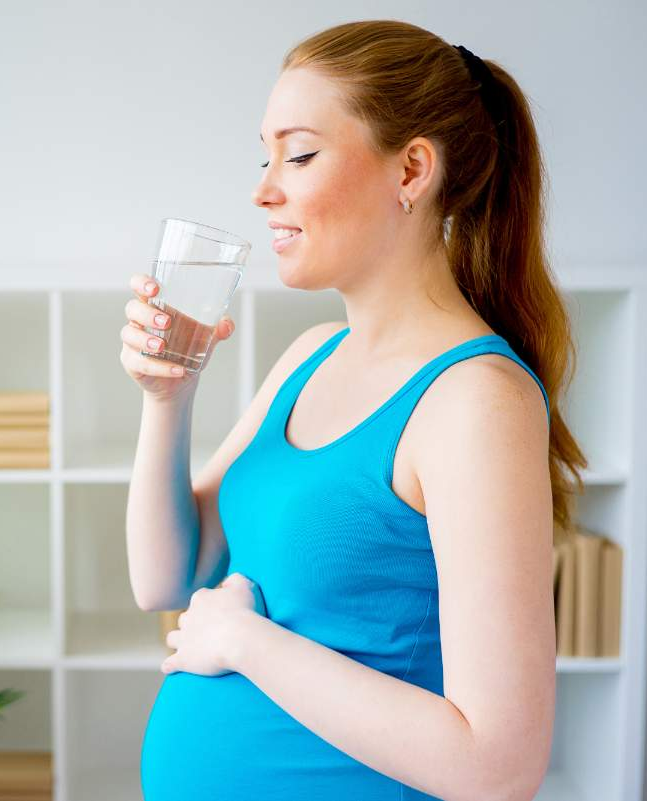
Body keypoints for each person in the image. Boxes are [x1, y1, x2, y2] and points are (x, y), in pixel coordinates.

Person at [122, 19, 589, 801]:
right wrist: (166, 399)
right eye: (264, 156)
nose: (263, 189)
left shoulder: (476, 401)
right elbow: (165, 575)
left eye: (299, 155)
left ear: (412, 170)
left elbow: (499, 768)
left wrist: (244, 641)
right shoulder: (310, 355)